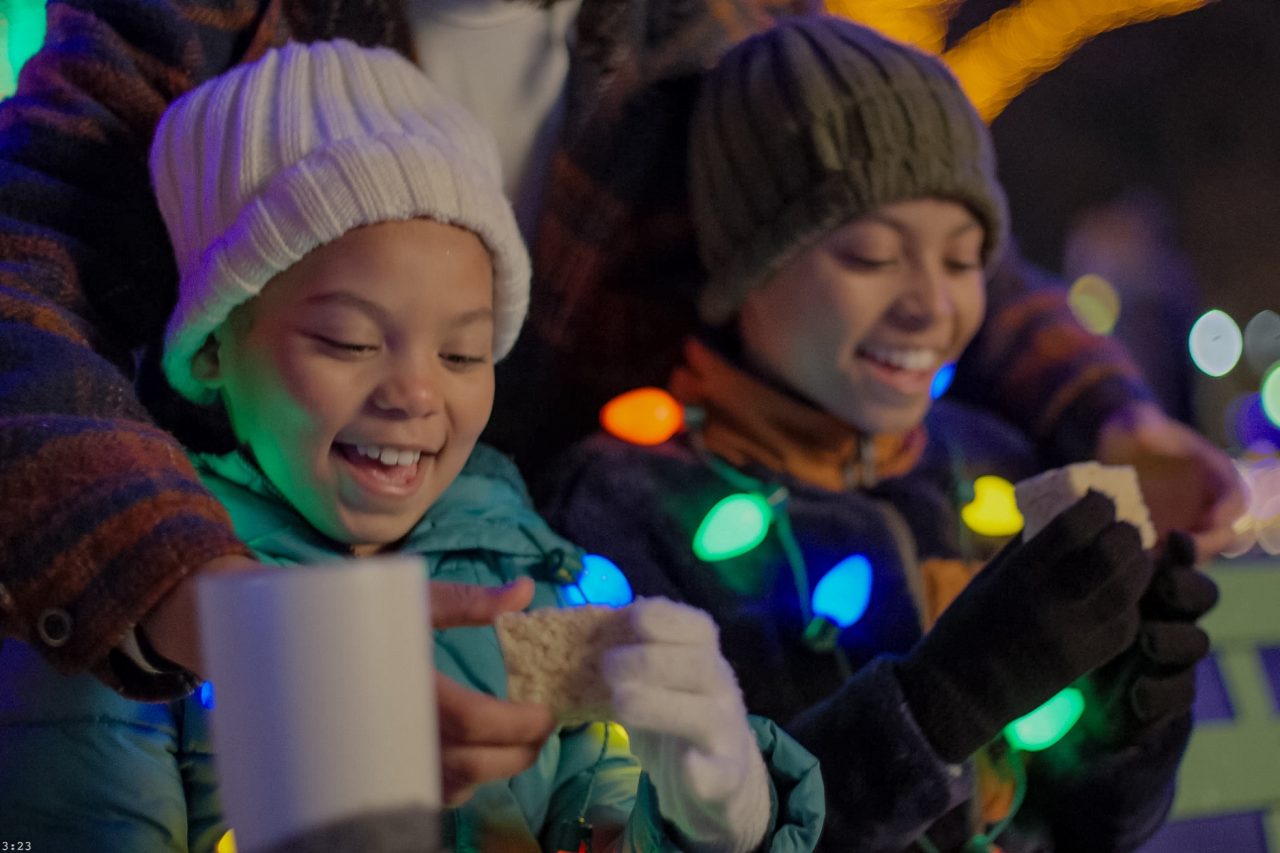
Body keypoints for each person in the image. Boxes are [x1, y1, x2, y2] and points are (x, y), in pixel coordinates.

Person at [0, 0, 1240, 734]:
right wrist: (187, 586)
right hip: (239, 639)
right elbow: (20, 267)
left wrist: (1107, 411)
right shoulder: (188, 19)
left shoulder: (707, 30)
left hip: (585, 632)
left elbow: (893, 217)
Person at [0, 40, 825, 852]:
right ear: (215, 347)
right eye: (350, 342)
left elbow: (599, 822)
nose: (418, 393)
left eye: (463, 353)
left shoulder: (537, 574)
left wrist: (703, 821)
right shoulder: (123, 622)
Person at [540, 16, 1220, 851]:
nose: (931, 305)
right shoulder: (627, 506)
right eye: (869, 256)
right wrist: (943, 702)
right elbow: (664, 830)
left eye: (965, 260)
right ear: (743, 266)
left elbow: (1082, 830)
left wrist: (1126, 732)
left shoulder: (989, 466)